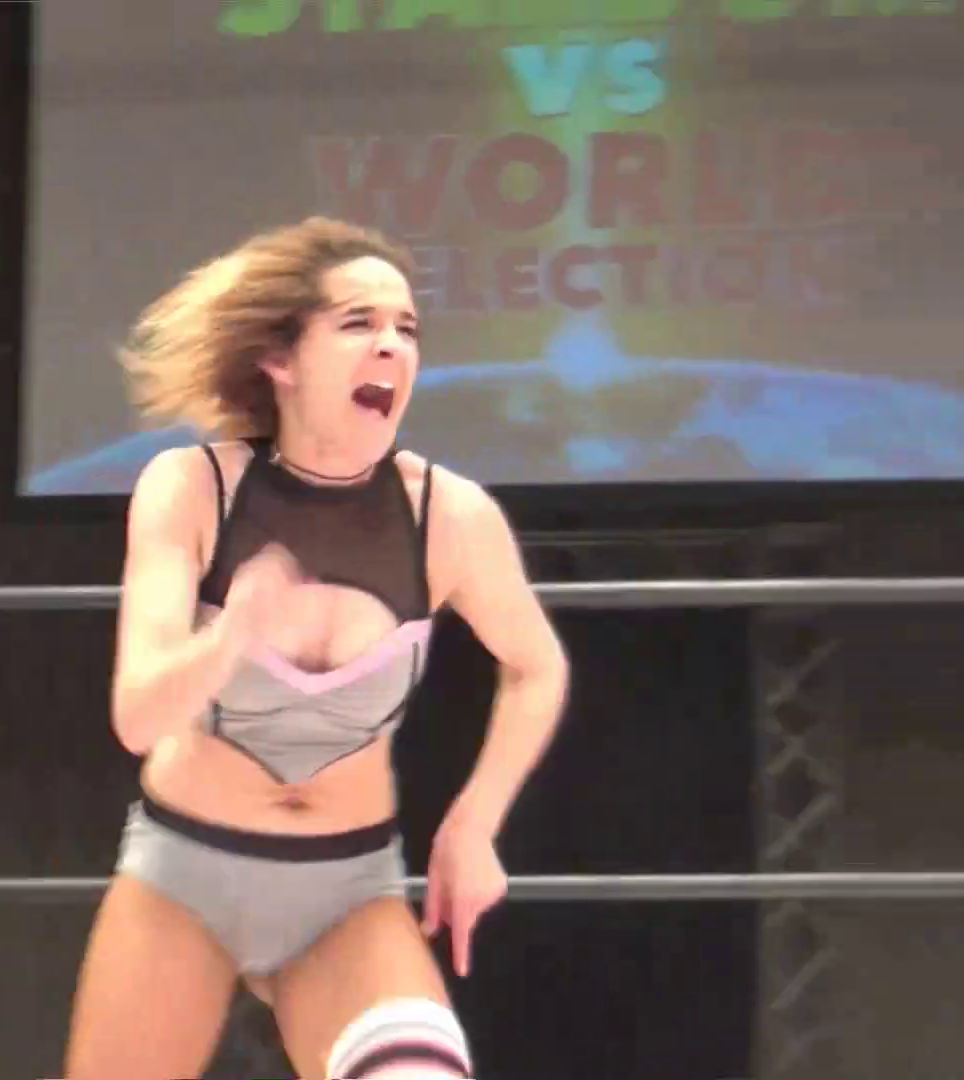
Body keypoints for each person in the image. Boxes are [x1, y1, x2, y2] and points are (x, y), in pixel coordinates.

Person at [64, 218, 571, 1079]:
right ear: (282, 359)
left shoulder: (449, 515)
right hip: (186, 875)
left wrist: (474, 823)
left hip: (347, 890)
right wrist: (233, 634)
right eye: (358, 323)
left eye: (406, 329)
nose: (391, 346)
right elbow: (138, 717)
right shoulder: (192, 488)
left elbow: (537, 667)